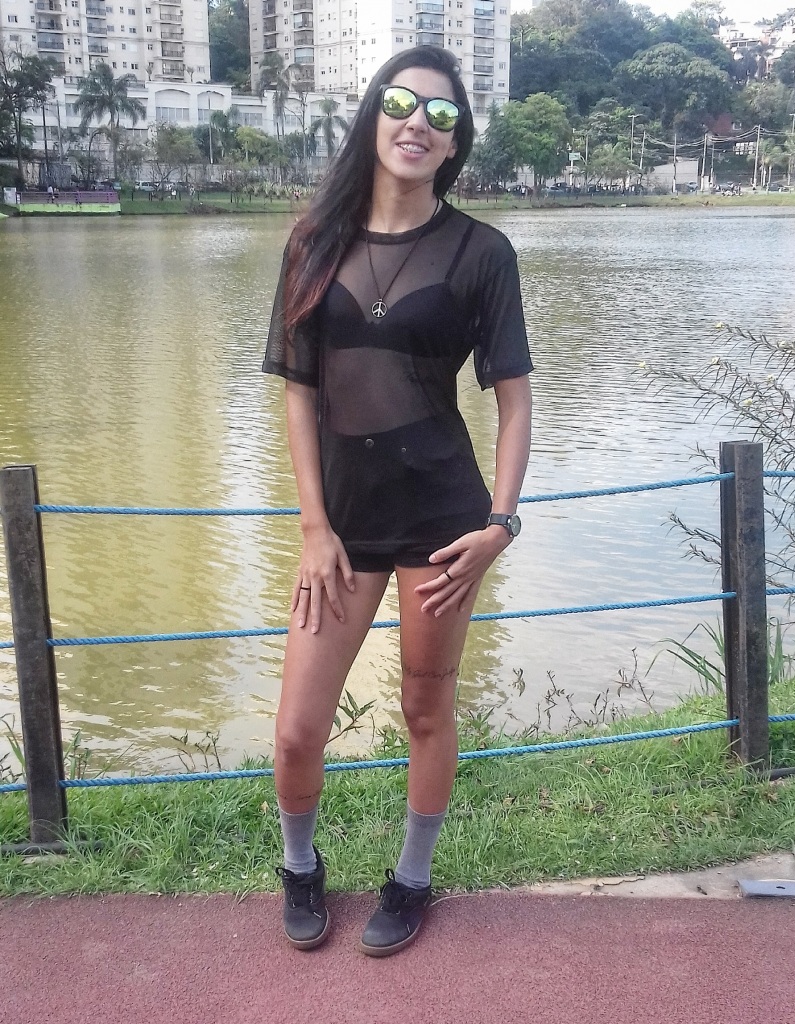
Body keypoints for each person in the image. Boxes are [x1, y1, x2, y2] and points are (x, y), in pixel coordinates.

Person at [263, 44, 533, 957]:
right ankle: (299, 866)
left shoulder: (481, 252)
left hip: (441, 523)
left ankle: (411, 879)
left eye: (441, 115)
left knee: (425, 707)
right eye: (400, 104)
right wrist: (313, 526)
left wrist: (498, 524)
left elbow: (513, 401)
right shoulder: (312, 241)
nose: (418, 123)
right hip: (339, 528)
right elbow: (298, 393)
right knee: (296, 730)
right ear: (372, 116)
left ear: (455, 143)